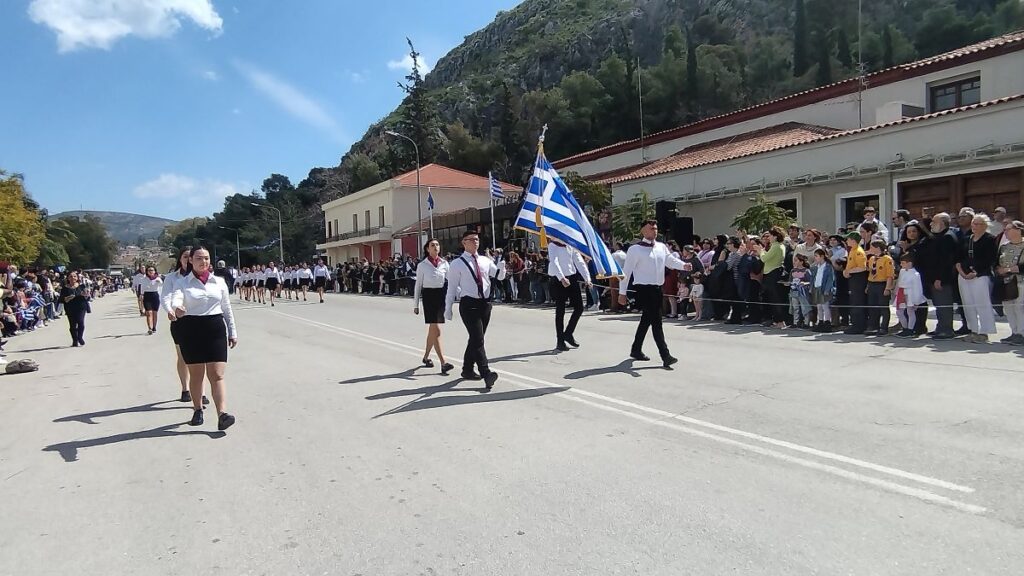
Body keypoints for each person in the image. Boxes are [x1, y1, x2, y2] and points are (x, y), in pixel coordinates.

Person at [170, 246, 238, 431]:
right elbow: (176, 299)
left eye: (207, 258)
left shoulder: (219, 282)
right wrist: (177, 308)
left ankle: (222, 414)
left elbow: (226, 308)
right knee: (197, 375)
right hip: (191, 329)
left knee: (217, 375)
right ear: (191, 260)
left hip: (215, 329)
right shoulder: (182, 283)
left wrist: (232, 331)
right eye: (199, 258)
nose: (204, 262)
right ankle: (198, 408)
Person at [618, 220, 687, 369]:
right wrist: (622, 293)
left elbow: (670, 260)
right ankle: (665, 355)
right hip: (643, 289)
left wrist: (683, 265)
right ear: (643, 230)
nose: (654, 231)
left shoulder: (661, 247)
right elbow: (626, 272)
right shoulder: (635, 249)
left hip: (657, 289)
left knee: (646, 320)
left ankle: (636, 349)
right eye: (651, 228)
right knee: (656, 321)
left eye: (656, 228)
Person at [444, 229, 506, 390]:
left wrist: (502, 266)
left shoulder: (485, 260)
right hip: (468, 304)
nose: (475, 242)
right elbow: (451, 288)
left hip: (485, 304)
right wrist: (448, 307)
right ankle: (486, 373)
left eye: (477, 239)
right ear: (464, 243)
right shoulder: (456, 264)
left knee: (475, 339)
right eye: (471, 239)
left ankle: (467, 369)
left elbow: (499, 276)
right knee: (478, 339)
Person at [161, 247, 207, 404]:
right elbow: (166, 296)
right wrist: (170, 310)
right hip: (180, 321)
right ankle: (185, 389)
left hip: (200, 321)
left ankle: (202, 392)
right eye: (185, 256)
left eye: (191, 257)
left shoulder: (203, 277)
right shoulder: (172, 278)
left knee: (201, 357)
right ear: (180, 259)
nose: (188, 259)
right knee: (183, 356)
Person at [414, 239, 454, 374]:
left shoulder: (444, 263)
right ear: (427, 249)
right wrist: (416, 304)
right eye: (432, 245)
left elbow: (451, 281)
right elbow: (418, 285)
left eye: (437, 245)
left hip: (440, 295)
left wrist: (459, 293)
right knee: (436, 330)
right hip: (429, 297)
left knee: (433, 331)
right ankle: (443, 363)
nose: (435, 247)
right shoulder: (422, 265)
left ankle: (425, 357)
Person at [955, 214, 998, 343]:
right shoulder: (966, 239)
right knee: (968, 304)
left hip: (980, 276)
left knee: (982, 303)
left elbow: (990, 259)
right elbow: (958, 257)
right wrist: (961, 271)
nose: (975, 226)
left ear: (985, 225)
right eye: (974, 223)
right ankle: (973, 330)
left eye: (978, 224)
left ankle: (984, 332)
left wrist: (976, 272)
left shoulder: (990, 239)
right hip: (963, 275)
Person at [548, 239, 591, 351]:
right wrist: (562, 278)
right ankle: (560, 340)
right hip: (558, 279)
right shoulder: (553, 245)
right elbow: (554, 262)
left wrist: (587, 279)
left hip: (571, 277)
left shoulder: (570, 245)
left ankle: (568, 333)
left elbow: (579, 261)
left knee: (579, 308)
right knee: (560, 310)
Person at [924, 213, 958, 339]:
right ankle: (940, 327)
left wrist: (940, 278)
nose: (931, 224)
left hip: (943, 279)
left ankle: (946, 329)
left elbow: (946, 261)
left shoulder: (947, 237)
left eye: (934, 221)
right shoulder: (938, 236)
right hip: (934, 277)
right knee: (938, 304)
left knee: (944, 304)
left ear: (942, 223)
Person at [995, 220, 1024, 345]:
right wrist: (997, 269)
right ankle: (1014, 332)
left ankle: (1022, 334)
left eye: (1008, 229)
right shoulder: (1004, 246)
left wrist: (1009, 269)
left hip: (1020, 281)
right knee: (1009, 308)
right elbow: (997, 261)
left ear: (1018, 230)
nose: (1005, 232)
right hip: (1006, 282)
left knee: (1019, 307)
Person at [865, 240, 895, 335]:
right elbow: (870, 272)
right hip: (872, 284)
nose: (870, 249)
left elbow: (890, 275)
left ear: (878, 248)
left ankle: (884, 327)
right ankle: (873, 326)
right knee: (872, 306)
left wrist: (887, 288)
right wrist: (868, 285)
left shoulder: (887, 259)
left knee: (883, 307)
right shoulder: (871, 259)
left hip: (882, 284)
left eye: (872, 247)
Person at [894, 254, 926, 338]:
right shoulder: (902, 271)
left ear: (910, 263)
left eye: (903, 263)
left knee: (910, 312)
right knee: (899, 312)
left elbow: (918, 288)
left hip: (911, 294)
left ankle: (910, 329)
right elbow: (899, 282)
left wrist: (916, 301)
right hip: (902, 293)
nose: (901, 265)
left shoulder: (915, 274)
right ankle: (905, 328)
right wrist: (896, 291)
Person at [843, 232, 869, 334]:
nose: (847, 241)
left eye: (848, 239)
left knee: (858, 302)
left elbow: (862, 267)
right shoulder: (852, 250)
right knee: (854, 301)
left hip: (859, 279)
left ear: (853, 240)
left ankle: (859, 325)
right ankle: (855, 324)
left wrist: (849, 271)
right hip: (853, 278)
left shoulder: (858, 251)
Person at [60, 271, 90, 347]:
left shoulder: (82, 286)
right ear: (68, 278)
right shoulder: (65, 288)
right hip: (70, 307)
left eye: (74, 276)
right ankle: (75, 340)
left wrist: (86, 295)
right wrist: (68, 298)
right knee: (72, 325)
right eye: (71, 276)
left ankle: (80, 337)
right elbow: (62, 300)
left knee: (81, 322)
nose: (73, 278)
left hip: (81, 306)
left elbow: (87, 296)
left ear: (77, 278)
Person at [810, 248, 836, 332]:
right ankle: (820, 321)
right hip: (817, 287)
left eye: (817, 256)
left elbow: (830, 279)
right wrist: (811, 288)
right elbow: (813, 278)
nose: (815, 258)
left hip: (824, 288)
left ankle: (827, 322)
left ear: (822, 256)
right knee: (819, 307)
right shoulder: (815, 267)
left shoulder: (828, 267)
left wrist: (827, 289)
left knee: (825, 306)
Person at [788, 254, 812, 329]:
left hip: (803, 292)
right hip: (794, 291)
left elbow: (811, 281)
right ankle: (796, 322)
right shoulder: (793, 270)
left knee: (805, 307)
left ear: (801, 262)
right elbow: (790, 280)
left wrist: (805, 283)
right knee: (795, 307)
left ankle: (806, 322)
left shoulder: (806, 271)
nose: (794, 262)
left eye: (796, 260)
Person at [140, 265, 163, 335]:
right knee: (149, 313)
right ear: (147, 272)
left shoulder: (157, 279)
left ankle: (154, 327)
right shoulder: (144, 279)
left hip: (155, 295)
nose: (150, 272)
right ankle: (149, 328)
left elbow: (161, 285)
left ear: (155, 271)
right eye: (149, 270)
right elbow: (142, 288)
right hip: (147, 296)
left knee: (154, 313)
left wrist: (159, 281)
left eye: (152, 270)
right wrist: (141, 295)